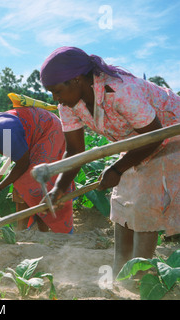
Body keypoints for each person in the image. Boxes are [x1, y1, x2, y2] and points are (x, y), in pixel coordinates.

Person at [40, 46, 180, 275]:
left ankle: (138, 274)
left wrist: (117, 168)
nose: (56, 98)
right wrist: (59, 188)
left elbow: (154, 136)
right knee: (122, 202)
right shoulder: (68, 105)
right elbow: (75, 151)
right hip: (137, 142)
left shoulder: (121, 90)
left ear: (76, 80)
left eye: (57, 91)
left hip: (170, 135)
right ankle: (120, 271)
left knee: (144, 205)